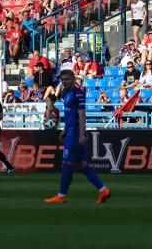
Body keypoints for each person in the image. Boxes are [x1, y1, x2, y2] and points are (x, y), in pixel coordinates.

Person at [44, 69, 111, 204]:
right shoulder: (67, 94)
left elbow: (81, 114)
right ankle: (103, 190)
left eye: (67, 79)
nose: (64, 82)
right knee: (81, 164)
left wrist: (81, 134)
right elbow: (71, 114)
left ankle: (61, 195)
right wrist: (64, 129)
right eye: (62, 80)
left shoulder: (77, 93)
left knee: (67, 162)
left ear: (74, 80)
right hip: (71, 130)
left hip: (75, 133)